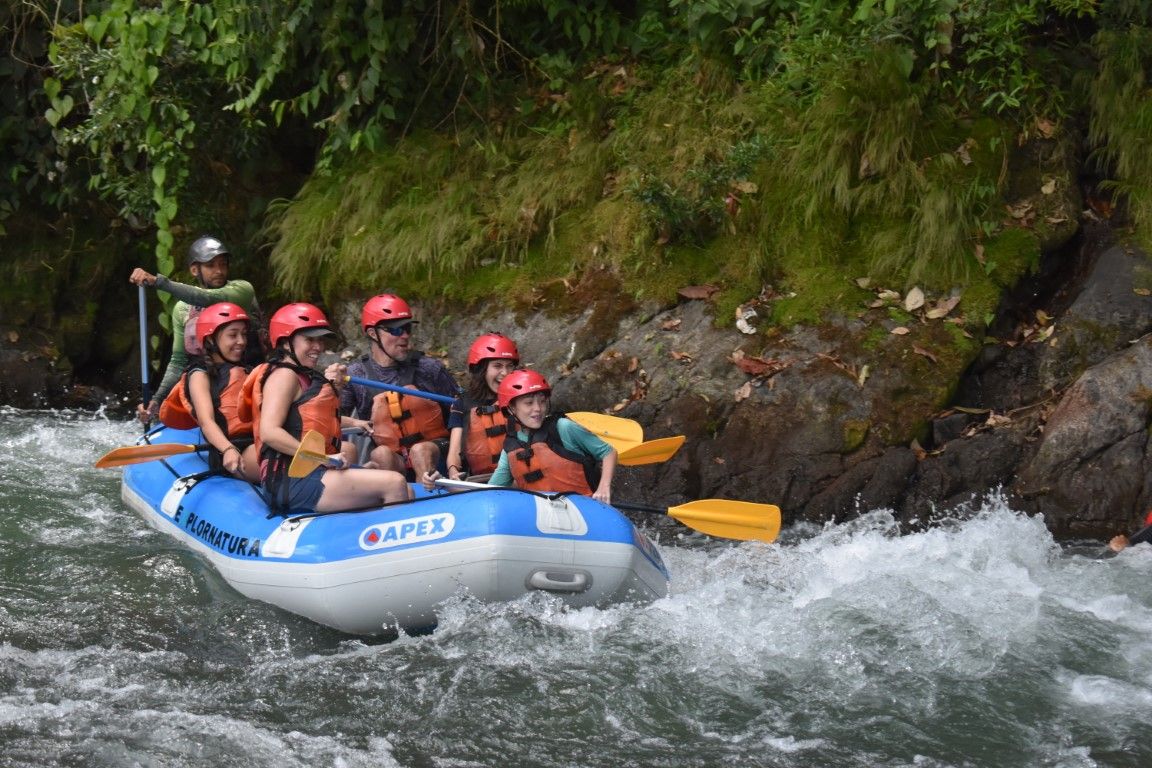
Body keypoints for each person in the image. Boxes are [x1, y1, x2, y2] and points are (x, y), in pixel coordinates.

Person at [251, 302, 410, 513]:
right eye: (309, 339)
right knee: (394, 483)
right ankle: (392, 544)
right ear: (286, 343)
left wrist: (353, 425)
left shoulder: (304, 376)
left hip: (311, 472)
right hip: (291, 480)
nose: (318, 346)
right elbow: (270, 433)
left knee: (408, 492)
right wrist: (322, 458)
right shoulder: (284, 376)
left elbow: (311, 418)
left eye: (320, 339)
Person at [426, 369, 617, 504]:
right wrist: (441, 482)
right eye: (529, 403)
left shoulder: (564, 428)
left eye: (542, 402)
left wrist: (603, 488)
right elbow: (491, 491)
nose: (537, 409)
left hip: (586, 509)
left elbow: (608, 452)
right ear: (511, 408)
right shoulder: (510, 448)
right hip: (546, 520)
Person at [129, 235, 265, 424]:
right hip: (207, 387)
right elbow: (178, 361)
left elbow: (206, 298)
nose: (219, 271)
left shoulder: (242, 290)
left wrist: (158, 282)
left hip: (250, 381)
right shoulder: (183, 309)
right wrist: (156, 400)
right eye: (211, 265)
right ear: (195, 270)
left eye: (223, 264)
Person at [340, 294, 460, 481]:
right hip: (393, 455)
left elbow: (461, 410)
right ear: (373, 333)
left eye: (407, 328)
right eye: (396, 330)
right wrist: (330, 387)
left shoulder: (429, 368)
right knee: (381, 455)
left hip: (436, 450)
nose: (405, 336)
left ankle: (429, 497)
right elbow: (333, 418)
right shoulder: (355, 375)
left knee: (420, 451)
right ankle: (395, 503)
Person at [156, 302, 261, 482]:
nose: (241, 341)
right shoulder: (199, 374)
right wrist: (227, 450)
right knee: (274, 457)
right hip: (232, 452)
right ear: (210, 339)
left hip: (259, 442)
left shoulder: (247, 370)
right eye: (233, 335)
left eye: (244, 334)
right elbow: (206, 422)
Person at [443, 333, 520, 480]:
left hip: (517, 476)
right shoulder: (462, 403)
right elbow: (454, 451)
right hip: (479, 480)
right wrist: (453, 472)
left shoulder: (519, 398)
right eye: (497, 366)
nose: (505, 373)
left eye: (509, 366)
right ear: (481, 369)